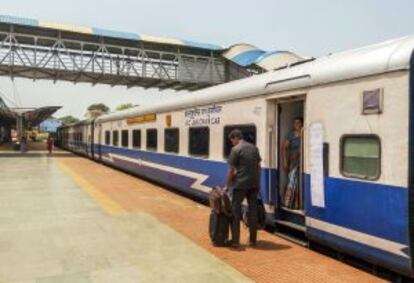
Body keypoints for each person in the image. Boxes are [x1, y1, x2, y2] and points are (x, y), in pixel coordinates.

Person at [225, 129, 262, 247]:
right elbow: (258, 167)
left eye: (232, 141)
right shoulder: (254, 148)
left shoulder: (235, 149)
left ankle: (235, 241)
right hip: (254, 184)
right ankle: (253, 240)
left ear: (236, 138)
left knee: (235, 211)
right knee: (253, 211)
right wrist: (257, 181)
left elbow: (231, 170)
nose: (232, 143)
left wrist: (227, 185)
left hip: (240, 184)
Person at [282, 117, 303, 209]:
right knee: (291, 182)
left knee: (299, 183)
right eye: (295, 123)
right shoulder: (291, 135)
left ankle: (297, 204)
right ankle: (288, 202)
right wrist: (285, 161)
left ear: (302, 124)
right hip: (293, 161)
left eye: (298, 123)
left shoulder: (303, 134)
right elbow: (284, 148)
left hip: (301, 162)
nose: (296, 125)